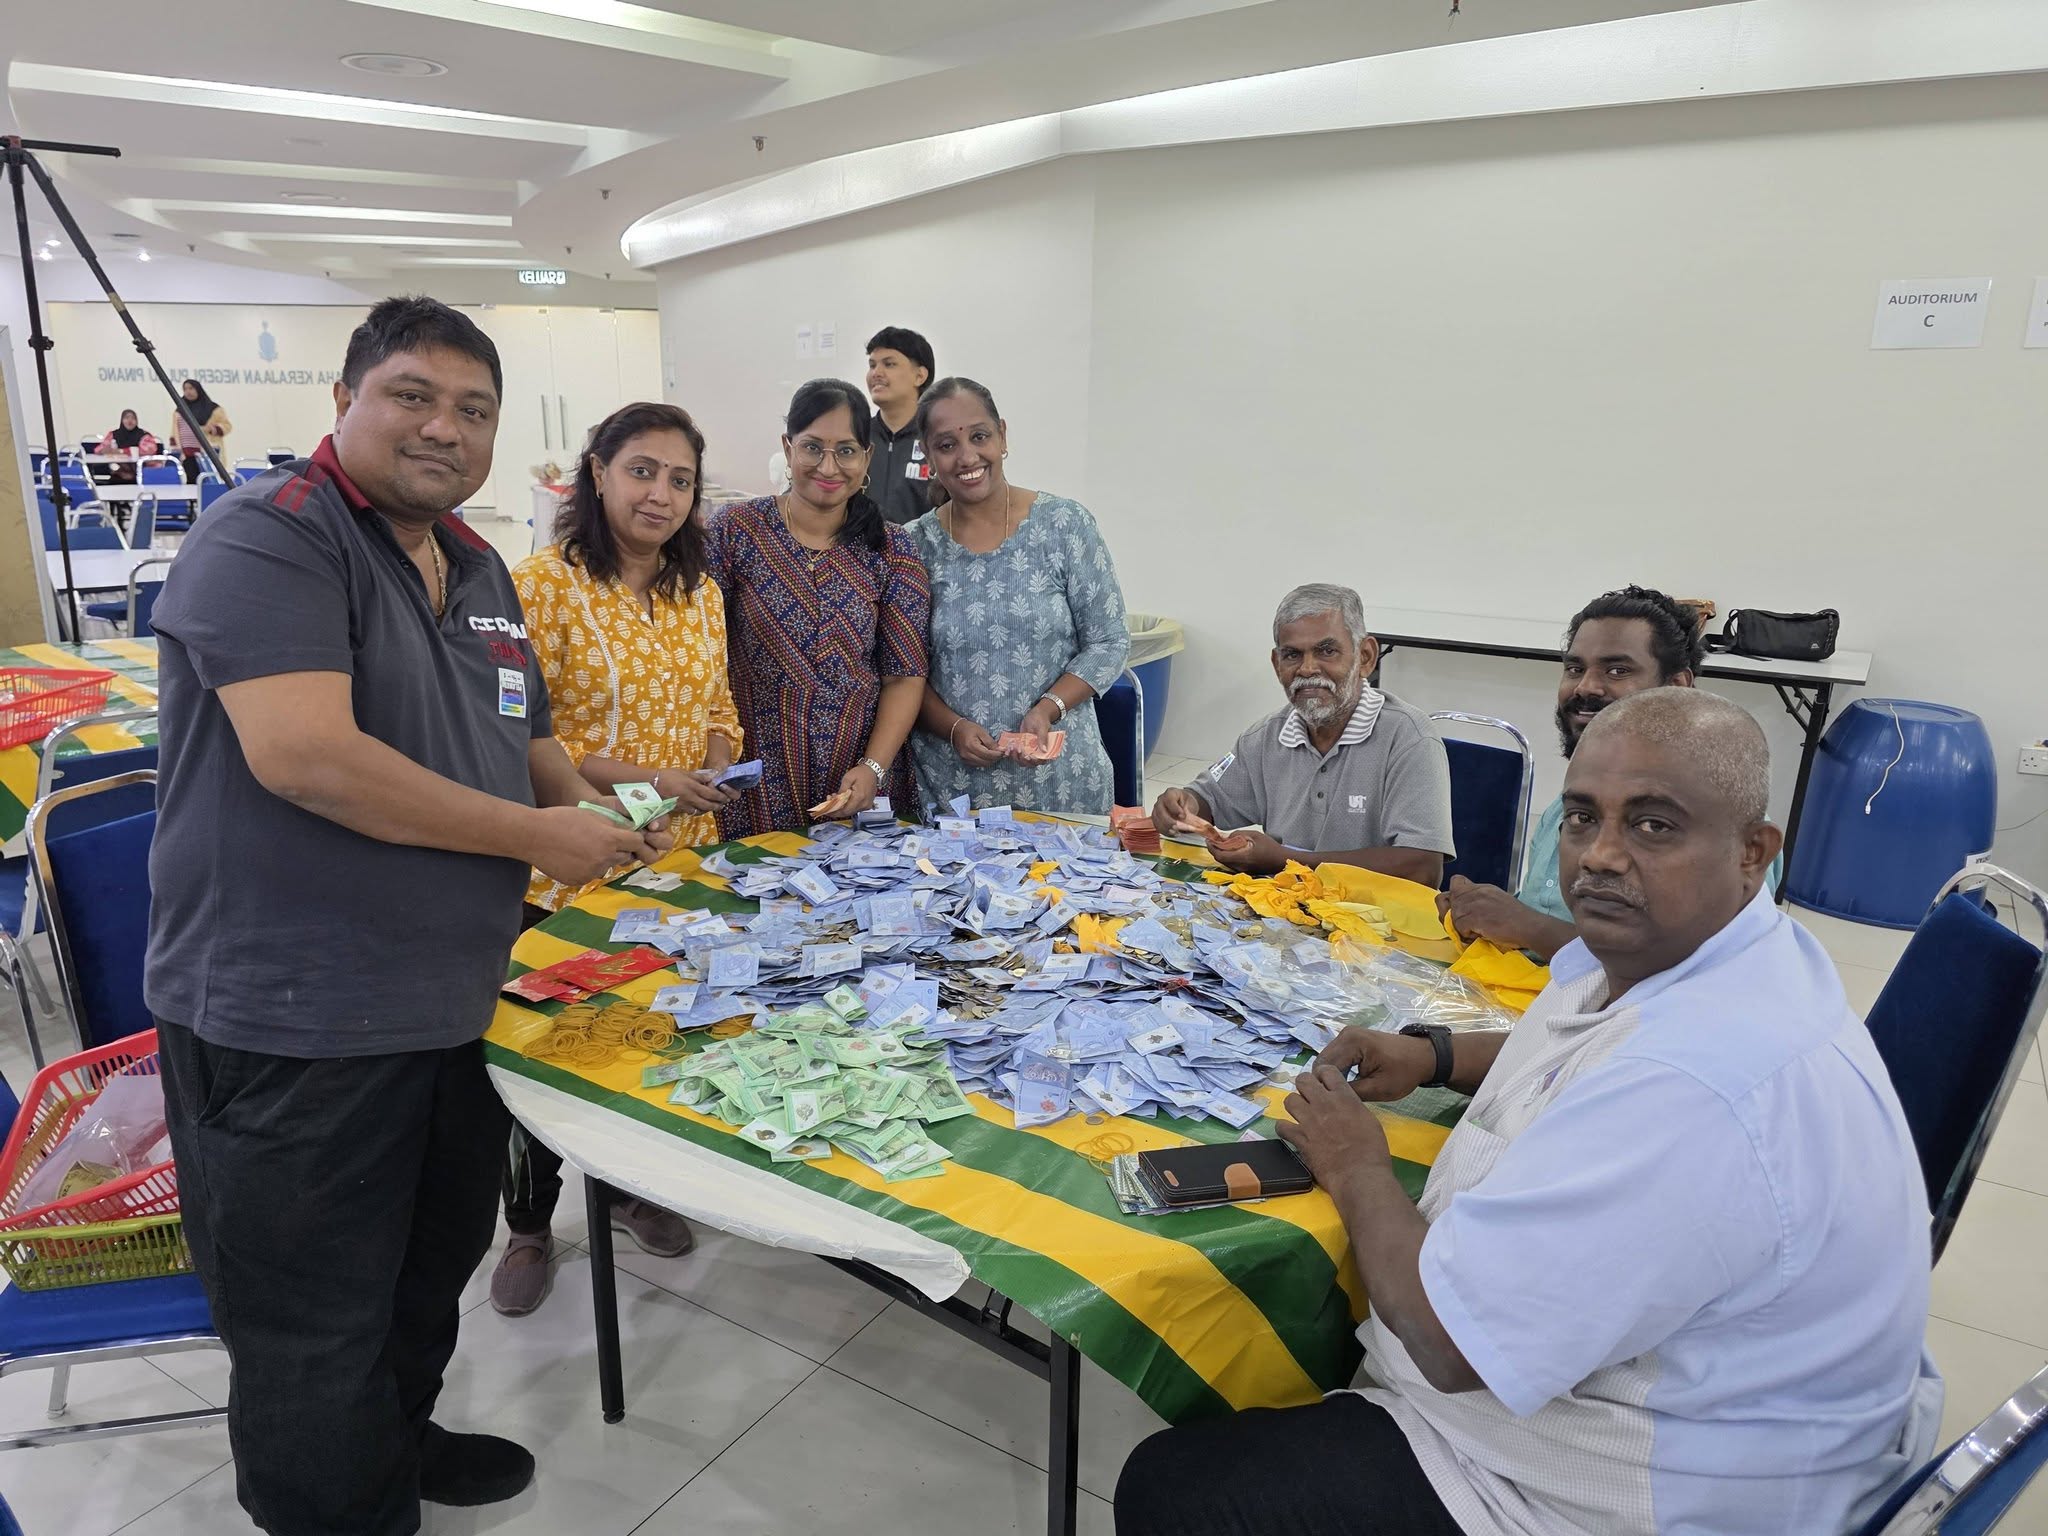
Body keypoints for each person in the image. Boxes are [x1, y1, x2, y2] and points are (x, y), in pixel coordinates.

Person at [1115, 688, 1941, 1536]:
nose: (1601, 856)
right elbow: (1586, 1035)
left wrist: (1355, 1164)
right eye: (1583, 818)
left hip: (1618, 1497)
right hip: (1714, 1412)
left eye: (1653, 825)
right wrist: (1435, 1055)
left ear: (1753, 852)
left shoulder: (1696, 1087)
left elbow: (1448, 1342)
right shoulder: (1709, 952)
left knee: (1175, 1488)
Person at [146, 296, 673, 1536]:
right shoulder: (270, 537)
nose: (445, 428)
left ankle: (397, 1445)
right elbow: (308, 759)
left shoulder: (478, 567)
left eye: (473, 409)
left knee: (423, 1274)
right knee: (311, 1324)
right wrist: (538, 840)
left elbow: (523, 737)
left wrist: (595, 811)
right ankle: (339, 1509)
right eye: (412, 397)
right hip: (294, 1021)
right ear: (344, 401)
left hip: (449, 1001)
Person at [491, 400, 741, 1316]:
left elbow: (720, 706)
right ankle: (529, 1224)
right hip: (565, 864)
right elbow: (530, 734)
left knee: (644, 1031)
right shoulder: (538, 586)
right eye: (642, 470)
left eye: (680, 480)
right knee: (543, 1047)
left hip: (676, 860)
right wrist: (654, 778)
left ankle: (632, 1190)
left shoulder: (699, 592)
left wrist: (712, 768)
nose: (660, 495)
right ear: (597, 472)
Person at [1439, 585, 1780, 961]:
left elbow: (1710, 969)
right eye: (1575, 669)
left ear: (1677, 687)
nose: (1585, 686)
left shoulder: (1723, 824)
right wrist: (1481, 917)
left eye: (1617, 670)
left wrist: (1529, 928)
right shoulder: (1561, 811)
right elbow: (1535, 919)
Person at [711, 378, 930, 836]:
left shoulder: (891, 548)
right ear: (787, 448)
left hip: (859, 774)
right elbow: (704, 655)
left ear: (866, 457)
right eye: (812, 447)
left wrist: (873, 767)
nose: (829, 467)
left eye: (846, 451)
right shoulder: (735, 531)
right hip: (755, 775)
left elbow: (905, 675)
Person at [907, 378, 1129, 815]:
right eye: (947, 445)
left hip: (1062, 783)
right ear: (928, 456)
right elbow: (903, 670)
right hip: (952, 792)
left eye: (979, 436)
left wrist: (1048, 708)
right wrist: (953, 728)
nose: (967, 457)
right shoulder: (913, 546)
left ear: (1003, 436)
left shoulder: (1065, 524)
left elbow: (1109, 641)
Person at [1151, 583, 1453, 884]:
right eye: (1292, 655)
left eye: (1327, 651)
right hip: (1282, 906)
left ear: (1365, 657)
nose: (1307, 669)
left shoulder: (1409, 739)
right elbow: (1208, 801)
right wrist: (1183, 806)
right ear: (1276, 664)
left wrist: (1286, 860)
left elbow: (1422, 869)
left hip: (1374, 911)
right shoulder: (1265, 738)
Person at [864, 325, 936, 525]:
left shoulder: (938, 439)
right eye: (872, 365)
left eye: (889, 364)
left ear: (920, 376)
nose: (876, 373)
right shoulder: (856, 436)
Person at [169, 378, 231, 481]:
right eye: (185, 389)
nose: (188, 392)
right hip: (186, 453)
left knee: (209, 480)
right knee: (191, 481)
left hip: (207, 452)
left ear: (198, 389)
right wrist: (176, 449)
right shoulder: (180, 409)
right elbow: (174, 431)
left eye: (191, 388)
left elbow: (227, 426)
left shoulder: (213, 409)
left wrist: (213, 429)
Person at [95, 408, 159, 483]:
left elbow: (148, 450)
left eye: (133, 418)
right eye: (126, 418)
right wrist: (105, 450)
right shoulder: (114, 434)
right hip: (119, 472)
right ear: (122, 420)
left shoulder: (144, 435)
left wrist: (121, 451)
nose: (130, 421)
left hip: (140, 473)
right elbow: (98, 450)